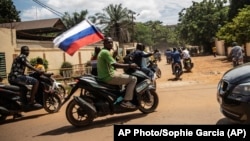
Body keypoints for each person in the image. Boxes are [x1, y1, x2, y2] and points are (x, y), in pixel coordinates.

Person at [97, 37, 138, 109]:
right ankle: (126, 101)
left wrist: (115, 55)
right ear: (104, 44)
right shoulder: (105, 52)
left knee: (123, 76)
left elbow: (112, 63)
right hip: (109, 76)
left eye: (111, 42)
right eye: (108, 42)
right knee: (133, 79)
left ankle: (120, 98)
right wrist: (129, 65)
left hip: (105, 75)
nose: (110, 44)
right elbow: (114, 64)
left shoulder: (104, 51)